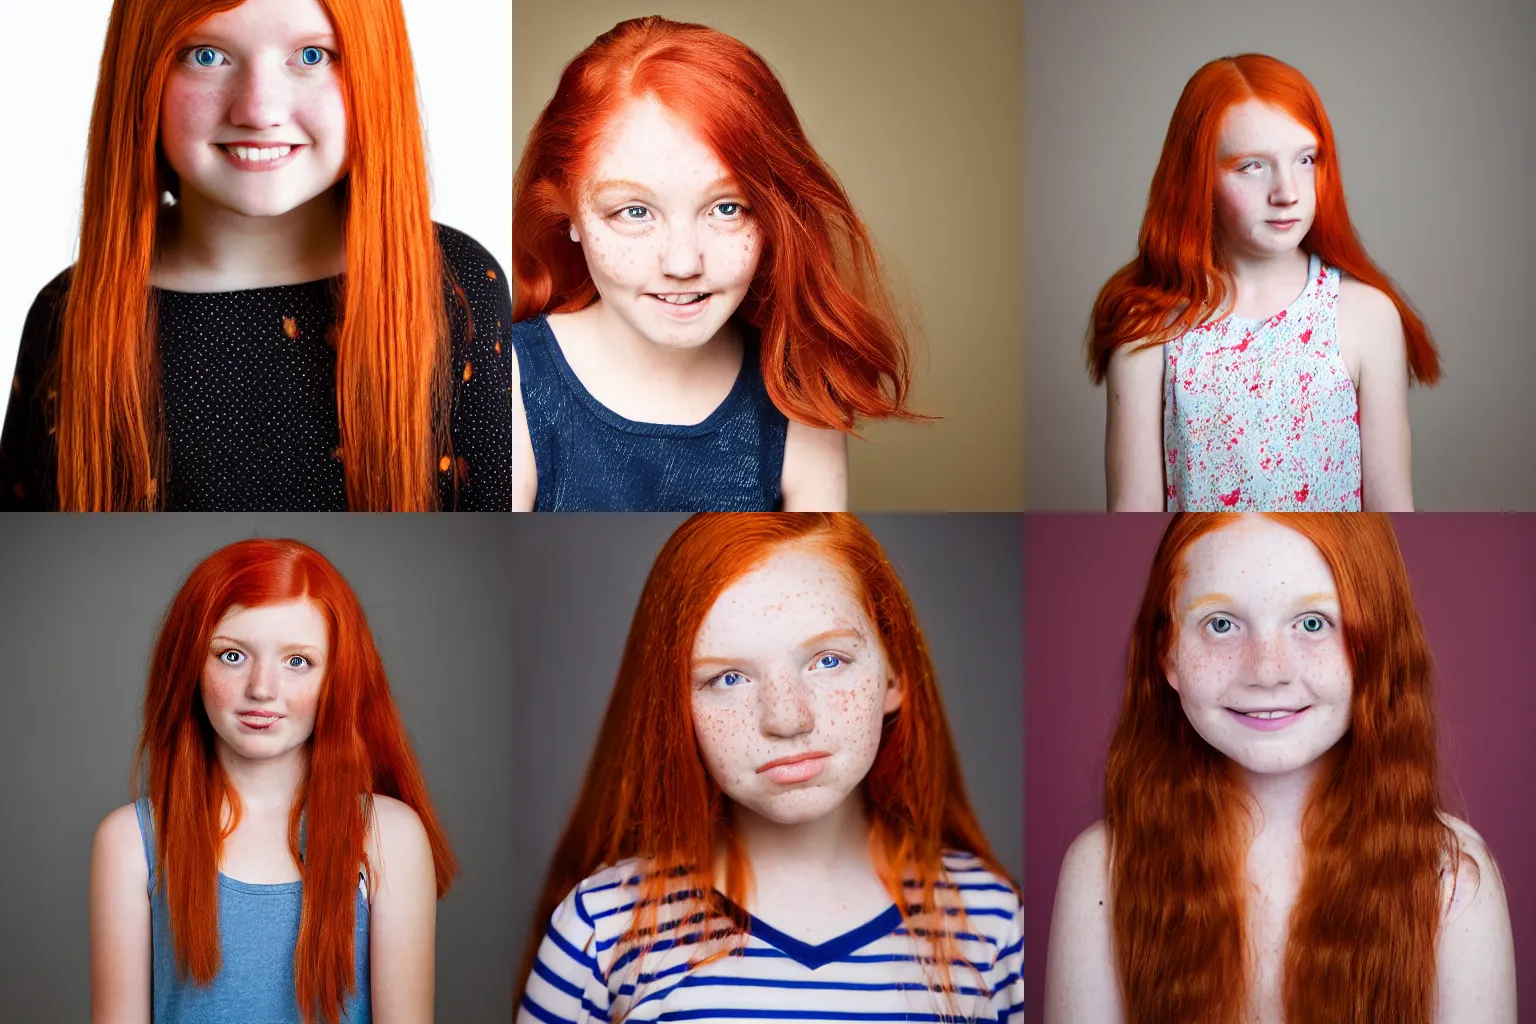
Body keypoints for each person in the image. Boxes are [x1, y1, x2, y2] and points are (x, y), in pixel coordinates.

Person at [1, 0, 511, 511]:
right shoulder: (65, 316)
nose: (259, 111)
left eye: (312, 55)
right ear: (140, 73)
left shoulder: (458, 286)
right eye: (205, 55)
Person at [517, 514, 1023, 1021]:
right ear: (675, 706)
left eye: (828, 660)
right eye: (729, 678)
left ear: (894, 674)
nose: (786, 720)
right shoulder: (602, 928)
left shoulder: (993, 925)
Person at [1044, 513, 1516, 1023]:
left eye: (1313, 623)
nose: (1267, 671)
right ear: (1168, 653)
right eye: (1220, 624)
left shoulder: (1453, 880)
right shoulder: (1100, 871)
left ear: (1375, 643)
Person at [510, 18, 922, 512]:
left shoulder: (796, 389)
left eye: (727, 208)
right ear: (567, 213)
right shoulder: (509, 380)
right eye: (634, 212)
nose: (683, 263)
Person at [88, 538, 457, 1023]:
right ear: (190, 666)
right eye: (232, 656)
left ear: (337, 679)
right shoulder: (129, 843)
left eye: (297, 661)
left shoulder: (390, 838)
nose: (262, 688)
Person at [1091, 55, 1441, 512]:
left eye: (1304, 159)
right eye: (1251, 166)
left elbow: (1392, 516)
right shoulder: (1149, 329)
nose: (1287, 192)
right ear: (1197, 178)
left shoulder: (1367, 317)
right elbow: (1132, 522)